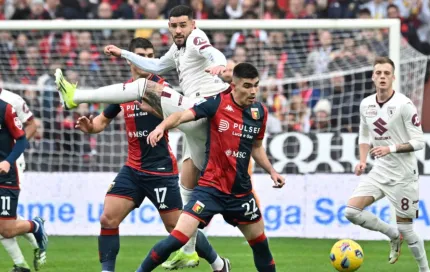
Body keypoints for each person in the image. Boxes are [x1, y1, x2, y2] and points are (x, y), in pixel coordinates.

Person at [55, 5, 230, 269]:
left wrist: (219, 64)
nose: (178, 30)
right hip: (154, 154)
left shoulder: (193, 40)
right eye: (173, 25)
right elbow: (156, 65)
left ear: (193, 24)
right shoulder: (175, 51)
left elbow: (211, 51)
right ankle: (202, 258)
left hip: (200, 120)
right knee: (187, 188)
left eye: (183, 24)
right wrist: (122, 52)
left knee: (142, 87)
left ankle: (75, 97)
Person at [137, 62, 285, 272]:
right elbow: (181, 115)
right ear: (233, 85)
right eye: (247, 86)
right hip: (210, 189)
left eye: (256, 85)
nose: (253, 91)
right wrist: (161, 126)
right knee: (176, 238)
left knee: (261, 247)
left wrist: (272, 171)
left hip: (240, 193)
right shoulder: (216, 104)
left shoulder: (259, 113)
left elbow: (257, 147)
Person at [344, 57, 429, 272]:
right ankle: (392, 235)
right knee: (351, 211)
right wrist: (362, 161)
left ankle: (424, 270)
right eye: (378, 73)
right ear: (373, 77)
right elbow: (364, 136)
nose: (382, 76)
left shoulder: (404, 105)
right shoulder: (366, 104)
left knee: (407, 230)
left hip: (403, 174)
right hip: (380, 170)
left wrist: (389, 149)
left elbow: (419, 141)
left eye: (386, 73)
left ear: (393, 77)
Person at [0, 89, 45, 271]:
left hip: (10, 166)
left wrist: (10, 159)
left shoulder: (11, 102)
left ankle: (35, 227)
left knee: (6, 225)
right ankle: (22, 264)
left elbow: (31, 126)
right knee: (5, 223)